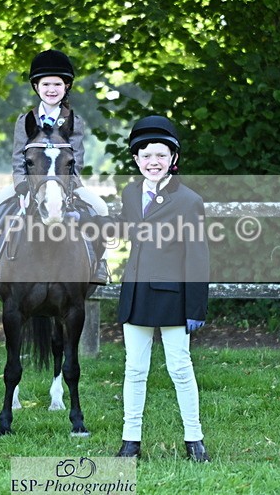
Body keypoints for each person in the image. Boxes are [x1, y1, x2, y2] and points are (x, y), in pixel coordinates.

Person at [114, 115, 211, 462]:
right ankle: (131, 440)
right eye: (146, 156)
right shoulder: (130, 193)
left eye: (160, 155)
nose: (152, 162)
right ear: (136, 159)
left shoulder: (188, 200)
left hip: (174, 297)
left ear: (173, 158)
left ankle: (194, 439)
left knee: (180, 368)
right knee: (134, 369)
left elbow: (197, 257)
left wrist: (195, 307)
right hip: (136, 294)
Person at [0, 49, 109, 283]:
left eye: (57, 84)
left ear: (66, 86)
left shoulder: (74, 121)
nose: (51, 89)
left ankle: (102, 263)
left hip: (66, 183)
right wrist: (22, 186)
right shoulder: (25, 120)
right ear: (36, 87)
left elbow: (76, 159)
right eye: (46, 84)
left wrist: (69, 186)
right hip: (31, 183)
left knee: (100, 207)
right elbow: (18, 157)